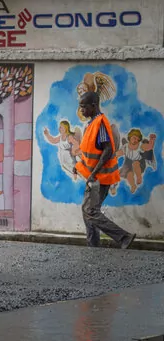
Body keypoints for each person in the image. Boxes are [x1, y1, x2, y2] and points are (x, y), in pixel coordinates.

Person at [73, 92, 136, 249]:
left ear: (93, 106)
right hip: (95, 177)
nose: (81, 110)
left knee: (90, 210)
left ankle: (123, 237)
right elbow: (90, 153)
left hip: (100, 178)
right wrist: (78, 166)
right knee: (88, 210)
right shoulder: (92, 123)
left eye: (83, 106)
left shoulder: (100, 123)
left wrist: (94, 174)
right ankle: (93, 246)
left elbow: (108, 150)